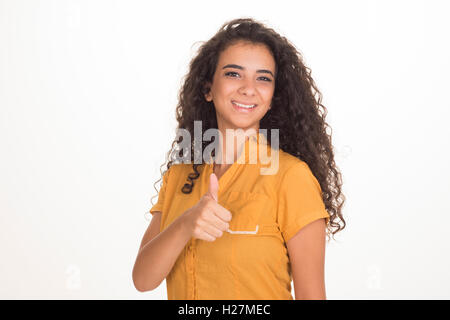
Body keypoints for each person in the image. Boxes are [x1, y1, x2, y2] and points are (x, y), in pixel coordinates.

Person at [132, 18, 346, 300]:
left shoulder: (291, 178)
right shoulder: (181, 177)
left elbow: (312, 296)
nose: (248, 88)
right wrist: (186, 223)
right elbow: (143, 280)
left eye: (263, 78)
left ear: (273, 97)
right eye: (233, 74)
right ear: (208, 89)